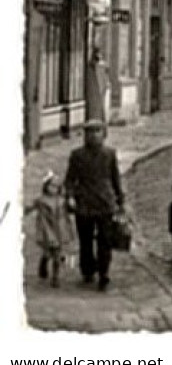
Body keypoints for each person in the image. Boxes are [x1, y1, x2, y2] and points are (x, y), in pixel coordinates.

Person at [64, 118, 124, 291]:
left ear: (104, 134)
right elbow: (70, 179)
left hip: (105, 203)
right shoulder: (77, 155)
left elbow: (115, 178)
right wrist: (70, 196)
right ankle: (88, 270)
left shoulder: (110, 154)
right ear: (85, 136)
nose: (94, 135)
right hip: (84, 203)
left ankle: (104, 273)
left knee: (105, 240)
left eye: (97, 131)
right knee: (85, 240)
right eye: (90, 132)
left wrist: (121, 200)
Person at [27, 172, 67, 287]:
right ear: (45, 186)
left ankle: (55, 277)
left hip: (58, 229)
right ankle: (44, 263)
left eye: (56, 186)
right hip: (46, 229)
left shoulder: (61, 200)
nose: (53, 189)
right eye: (51, 186)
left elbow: (67, 212)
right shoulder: (40, 200)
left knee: (57, 254)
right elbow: (29, 208)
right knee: (49, 251)